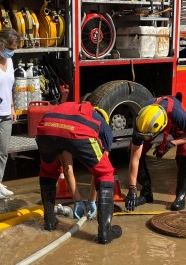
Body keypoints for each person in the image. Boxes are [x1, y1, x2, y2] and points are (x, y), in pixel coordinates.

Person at [35, 101, 121, 244]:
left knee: (48, 172)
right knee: (105, 173)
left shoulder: (69, 110)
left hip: (46, 127)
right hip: (78, 130)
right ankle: (105, 232)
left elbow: (67, 168)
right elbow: (100, 173)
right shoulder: (103, 127)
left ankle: (49, 222)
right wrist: (91, 200)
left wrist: (78, 200)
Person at [125, 95, 186, 212]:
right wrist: (132, 189)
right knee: (131, 151)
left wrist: (171, 143)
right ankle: (146, 193)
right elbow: (135, 158)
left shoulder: (178, 114)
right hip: (153, 125)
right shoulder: (142, 120)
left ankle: (180, 196)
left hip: (176, 126)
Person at [0, 28, 21, 199]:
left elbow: (10, 85)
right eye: (10, 48)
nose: (12, 52)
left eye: (14, 49)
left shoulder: (9, 61)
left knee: (3, 151)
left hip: (6, 111)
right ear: (0, 44)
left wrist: (13, 107)